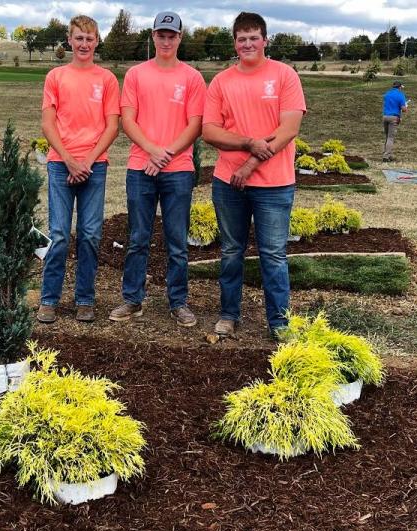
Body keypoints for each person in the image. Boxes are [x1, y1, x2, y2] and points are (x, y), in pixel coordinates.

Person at [201, 11, 306, 338]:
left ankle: (279, 323)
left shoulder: (284, 75)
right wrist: (247, 143)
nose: (247, 43)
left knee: (273, 255)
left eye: (253, 37)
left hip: (274, 185)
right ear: (235, 42)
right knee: (231, 251)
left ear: (265, 40)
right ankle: (229, 314)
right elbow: (209, 131)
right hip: (228, 183)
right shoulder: (221, 81)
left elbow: (289, 128)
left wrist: (250, 163)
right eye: (241, 38)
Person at [109, 11, 206, 327]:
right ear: (153, 36)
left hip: (178, 170)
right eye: (161, 34)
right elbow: (128, 119)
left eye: (172, 35)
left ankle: (178, 302)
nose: (166, 40)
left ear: (180, 38)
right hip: (141, 167)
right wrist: (153, 151)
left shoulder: (192, 77)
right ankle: (132, 299)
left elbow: (195, 124)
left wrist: (167, 154)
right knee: (138, 237)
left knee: (176, 241)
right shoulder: (137, 75)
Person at [37, 15, 120, 324]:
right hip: (60, 165)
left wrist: (87, 161)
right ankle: (49, 299)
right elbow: (48, 123)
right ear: (69, 40)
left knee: (89, 234)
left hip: (94, 166)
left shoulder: (107, 79)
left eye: (90, 38)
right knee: (58, 234)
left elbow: (112, 126)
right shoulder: (56, 77)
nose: (84, 44)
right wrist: (70, 159)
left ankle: (85, 299)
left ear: (97, 41)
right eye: (78, 38)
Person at [382, 80, 408, 162]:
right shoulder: (400, 95)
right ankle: (386, 156)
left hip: (385, 116)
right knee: (390, 138)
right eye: (401, 87)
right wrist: (406, 107)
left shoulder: (387, 94)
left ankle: (388, 154)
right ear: (400, 87)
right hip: (393, 118)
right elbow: (404, 109)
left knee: (387, 137)